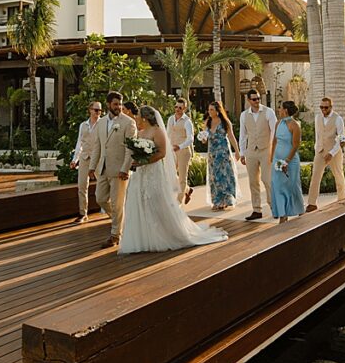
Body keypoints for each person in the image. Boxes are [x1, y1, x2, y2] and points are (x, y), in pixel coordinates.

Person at [118, 105, 228, 254]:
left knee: (155, 202)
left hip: (152, 172)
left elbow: (162, 153)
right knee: (139, 201)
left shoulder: (157, 131)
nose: (136, 119)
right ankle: (143, 238)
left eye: (138, 117)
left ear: (144, 118)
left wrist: (145, 161)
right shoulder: (140, 132)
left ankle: (162, 235)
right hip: (140, 173)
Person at [94, 92, 137, 248]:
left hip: (119, 170)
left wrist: (125, 168)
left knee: (117, 204)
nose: (118, 107)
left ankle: (115, 235)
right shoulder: (101, 122)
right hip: (102, 168)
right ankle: (120, 222)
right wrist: (93, 167)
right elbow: (97, 146)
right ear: (108, 105)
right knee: (100, 198)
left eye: (120, 104)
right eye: (115, 104)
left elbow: (130, 149)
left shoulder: (129, 123)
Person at [239, 88, 277, 220]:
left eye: (258, 99)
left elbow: (274, 132)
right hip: (251, 151)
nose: (257, 101)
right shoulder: (244, 115)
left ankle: (274, 207)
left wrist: (272, 149)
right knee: (252, 182)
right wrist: (242, 153)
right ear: (249, 100)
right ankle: (256, 210)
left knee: (267, 180)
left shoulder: (268, 112)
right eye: (254, 99)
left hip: (266, 149)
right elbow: (243, 135)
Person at [307, 96, 345, 212]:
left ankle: (342, 200)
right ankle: (311, 203)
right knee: (315, 177)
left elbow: (341, 139)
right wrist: (317, 148)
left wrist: (331, 153)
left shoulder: (338, 119)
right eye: (321, 107)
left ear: (331, 107)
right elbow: (318, 135)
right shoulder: (317, 117)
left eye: (325, 107)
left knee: (339, 176)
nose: (323, 109)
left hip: (334, 151)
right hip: (320, 151)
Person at [269, 101, 304, 223]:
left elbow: (295, 145)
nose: (279, 110)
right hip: (277, 161)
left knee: (292, 186)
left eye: (280, 108)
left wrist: (287, 161)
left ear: (286, 110)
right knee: (277, 186)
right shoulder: (278, 123)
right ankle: (282, 215)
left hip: (291, 161)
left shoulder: (295, 125)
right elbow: (274, 141)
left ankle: (300, 211)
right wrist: (272, 157)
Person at [70, 100, 103, 223]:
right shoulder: (83, 125)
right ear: (90, 110)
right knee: (82, 186)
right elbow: (80, 143)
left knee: (102, 186)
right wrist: (75, 160)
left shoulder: (103, 124)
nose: (98, 112)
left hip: (98, 158)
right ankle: (83, 213)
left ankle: (107, 210)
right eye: (96, 110)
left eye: (100, 110)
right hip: (84, 158)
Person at [205, 101, 241, 211]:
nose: (209, 112)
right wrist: (203, 139)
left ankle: (226, 200)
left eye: (212, 110)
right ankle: (216, 201)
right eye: (209, 109)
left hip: (223, 153)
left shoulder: (225, 122)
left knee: (225, 176)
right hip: (212, 154)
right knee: (214, 177)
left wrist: (237, 151)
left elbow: (231, 137)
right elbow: (205, 137)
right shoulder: (208, 122)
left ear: (217, 111)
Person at [166, 98, 195, 204]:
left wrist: (180, 146)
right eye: (176, 107)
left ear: (184, 108)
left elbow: (190, 138)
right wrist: (167, 148)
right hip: (172, 151)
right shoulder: (170, 119)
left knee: (182, 177)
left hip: (183, 152)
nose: (177, 109)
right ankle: (187, 189)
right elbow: (167, 134)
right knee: (170, 175)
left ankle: (178, 203)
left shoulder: (187, 121)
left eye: (180, 108)